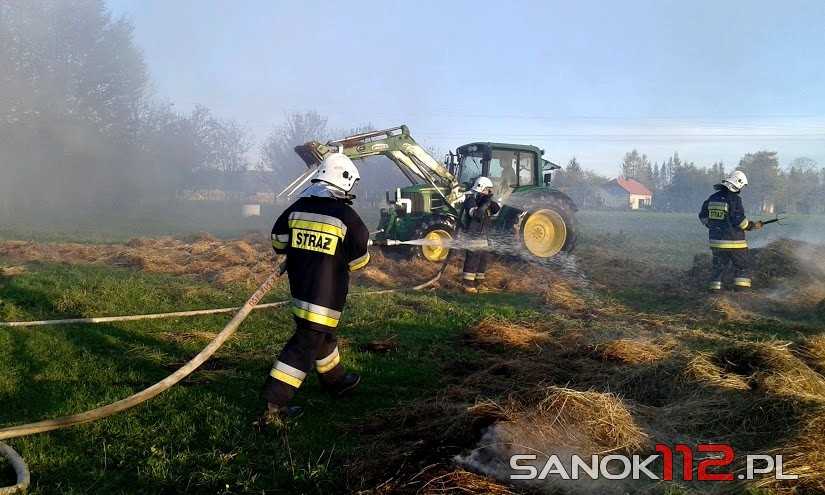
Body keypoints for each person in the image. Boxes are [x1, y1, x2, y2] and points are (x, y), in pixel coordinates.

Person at [260, 153, 371, 420]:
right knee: (304, 344)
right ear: (343, 181)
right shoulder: (346, 216)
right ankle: (274, 407)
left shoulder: (297, 207)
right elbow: (359, 262)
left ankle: (335, 380)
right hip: (327, 294)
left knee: (322, 334)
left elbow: (278, 241)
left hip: (301, 290)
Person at [698, 170, 762, 293]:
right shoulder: (734, 199)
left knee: (718, 267)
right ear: (738, 184)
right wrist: (752, 225)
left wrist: (713, 226)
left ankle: (715, 291)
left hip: (716, 242)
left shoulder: (712, 198)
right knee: (742, 265)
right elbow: (739, 220)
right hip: (734, 243)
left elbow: (703, 216)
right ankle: (741, 291)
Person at [460, 176, 500, 293]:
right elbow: (476, 214)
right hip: (474, 237)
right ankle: (467, 284)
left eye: (488, 190)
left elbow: (496, 209)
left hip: (484, 238)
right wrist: (485, 204)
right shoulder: (470, 201)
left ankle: (479, 284)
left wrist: (489, 202)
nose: (487, 192)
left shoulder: (483, 202)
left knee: (482, 262)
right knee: (472, 262)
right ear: (479, 188)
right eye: (486, 190)